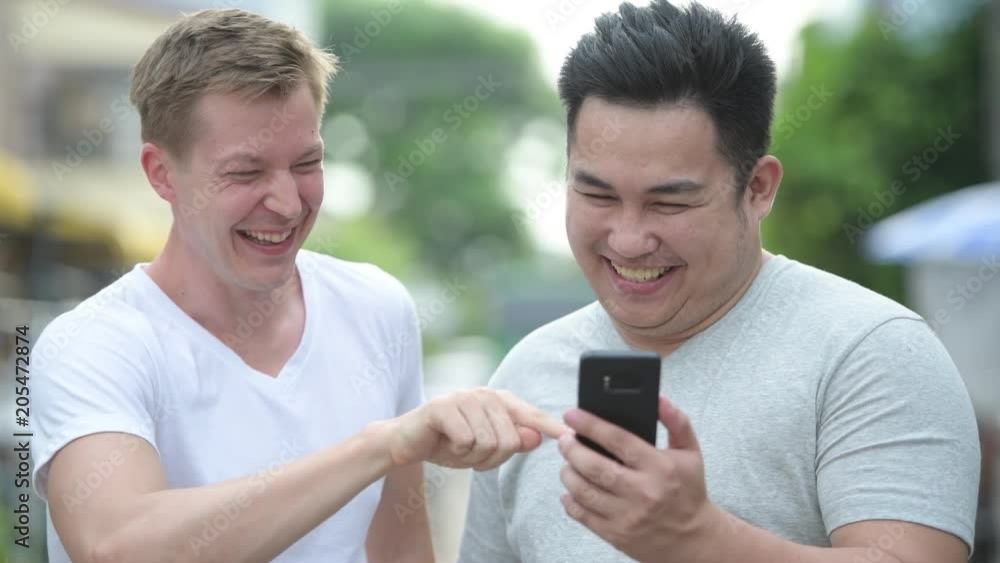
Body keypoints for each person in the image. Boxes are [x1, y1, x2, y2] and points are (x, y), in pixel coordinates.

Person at [30, 9, 566, 563]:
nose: (287, 203)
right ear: (161, 173)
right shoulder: (92, 345)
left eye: (306, 163)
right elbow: (118, 547)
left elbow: (399, 548)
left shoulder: (375, 308)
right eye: (246, 172)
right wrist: (380, 446)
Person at [458, 1, 980, 562]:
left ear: (758, 187)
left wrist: (701, 540)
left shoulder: (871, 352)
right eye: (598, 195)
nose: (629, 239)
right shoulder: (527, 371)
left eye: (670, 201)